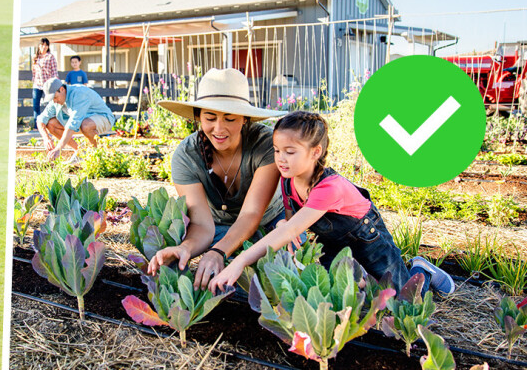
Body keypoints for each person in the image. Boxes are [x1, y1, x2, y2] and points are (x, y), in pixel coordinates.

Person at [208, 111, 454, 296]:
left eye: (290, 152)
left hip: (367, 237)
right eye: (276, 150)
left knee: (404, 298)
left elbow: (291, 229)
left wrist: (240, 261)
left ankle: (423, 272)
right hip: (332, 241)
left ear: (315, 152)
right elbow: (291, 221)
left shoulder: (329, 187)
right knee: (333, 293)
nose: (280, 159)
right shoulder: (288, 180)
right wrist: (285, 222)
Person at [147, 68, 290, 289]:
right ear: (198, 117)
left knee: (278, 274)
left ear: (245, 119)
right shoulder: (187, 155)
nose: (219, 128)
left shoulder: (265, 144)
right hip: (218, 228)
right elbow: (203, 225)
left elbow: (252, 214)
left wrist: (218, 251)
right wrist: (186, 248)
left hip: (268, 222)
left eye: (230, 118)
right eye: (210, 118)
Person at [37, 77, 116, 164]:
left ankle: (96, 155)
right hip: (81, 122)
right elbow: (40, 119)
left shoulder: (79, 94)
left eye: (55, 97)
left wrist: (58, 148)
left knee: (85, 125)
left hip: (103, 117)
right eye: (52, 99)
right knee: (51, 124)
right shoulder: (55, 101)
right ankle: (81, 152)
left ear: (62, 89)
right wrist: (46, 138)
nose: (54, 101)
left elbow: (72, 124)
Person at [31, 38, 58, 129]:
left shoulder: (50, 57)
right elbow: (34, 72)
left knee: (49, 105)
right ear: (39, 45)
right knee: (36, 106)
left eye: (46, 45)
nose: (44, 47)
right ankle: (37, 125)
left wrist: (54, 83)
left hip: (47, 85)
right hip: (37, 85)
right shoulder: (35, 57)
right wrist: (33, 81)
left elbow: (54, 72)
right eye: (42, 45)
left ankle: (49, 124)